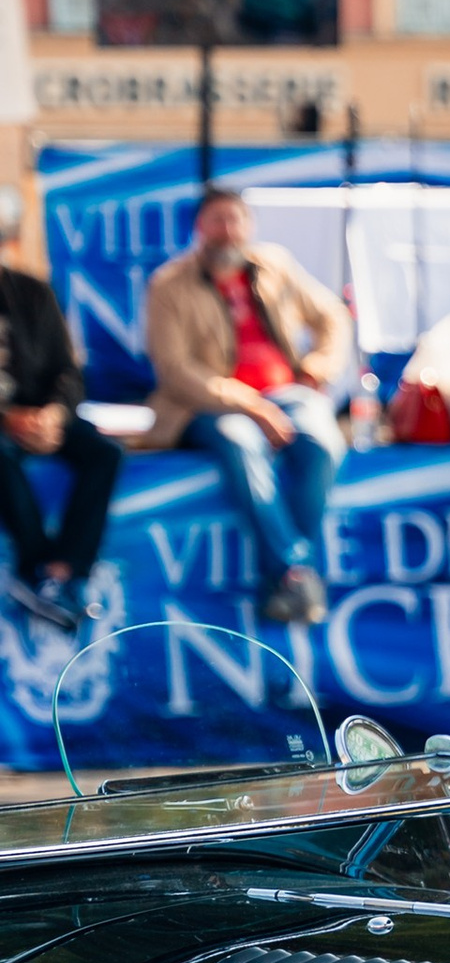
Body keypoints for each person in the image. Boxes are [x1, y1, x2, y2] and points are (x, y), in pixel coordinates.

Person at [140, 188, 354, 625]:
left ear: (248, 225)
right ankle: (295, 571)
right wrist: (249, 405)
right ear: (200, 228)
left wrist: (318, 367)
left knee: (323, 443)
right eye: (217, 220)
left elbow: (332, 315)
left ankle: (287, 579)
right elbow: (175, 368)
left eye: (235, 219)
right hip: (209, 404)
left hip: (286, 394)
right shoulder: (169, 284)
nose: (227, 230)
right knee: (241, 444)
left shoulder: (273, 264)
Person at [0, 248, 118, 636]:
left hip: (44, 415)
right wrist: (8, 417)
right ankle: (36, 570)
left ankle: (67, 570)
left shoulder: (31, 291)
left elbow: (68, 371)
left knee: (105, 453)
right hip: (6, 424)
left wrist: (53, 414)